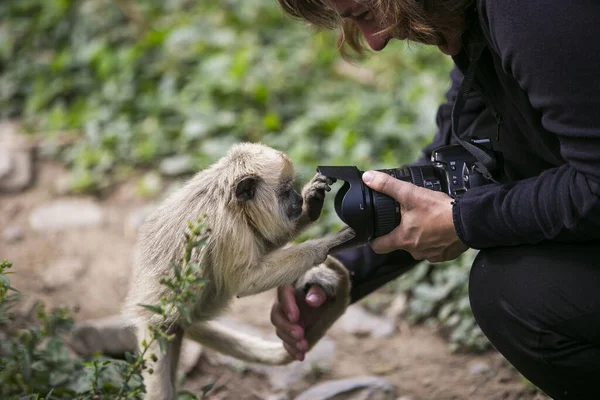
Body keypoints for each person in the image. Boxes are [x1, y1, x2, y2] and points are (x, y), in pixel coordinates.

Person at [268, 1, 600, 399]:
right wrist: (338, 274)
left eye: (365, 13)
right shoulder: (473, 20)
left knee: (516, 295)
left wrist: (466, 219)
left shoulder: (531, 13)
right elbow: (445, 179)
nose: (375, 42)